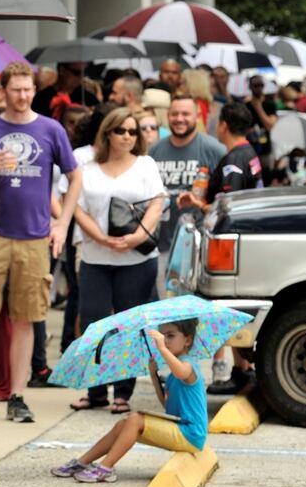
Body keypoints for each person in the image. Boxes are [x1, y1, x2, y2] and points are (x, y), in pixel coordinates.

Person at [0, 62, 82, 423]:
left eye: (28, 89)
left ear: (35, 90)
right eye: (16, 89)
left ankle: (17, 394)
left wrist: (62, 223)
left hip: (35, 236)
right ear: (3, 91)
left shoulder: (51, 129)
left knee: (27, 319)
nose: (22, 96)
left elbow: (74, 175)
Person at [69, 108, 165, 413]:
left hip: (136, 258)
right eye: (121, 131)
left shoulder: (145, 164)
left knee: (128, 325)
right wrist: (98, 236)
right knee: (93, 323)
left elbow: (157, 202)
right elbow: (76, 207)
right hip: (96, 257)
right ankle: (95, 391)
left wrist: (138, 236)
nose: (127, 137)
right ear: (107, 133)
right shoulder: (88, 167)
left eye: (132, 132)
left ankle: (123, 393)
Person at [51, 318, 206, 483]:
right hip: (180, 428)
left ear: (187, 340)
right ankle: (82, 462)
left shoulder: (189, 365)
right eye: (162, 335)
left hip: (191, 434)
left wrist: (161, 348)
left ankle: (106, 468)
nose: (165, 340)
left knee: (134, 419)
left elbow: (183, 372)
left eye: (171, 336)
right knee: (123, 424)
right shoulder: (174, 373)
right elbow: (167, 406)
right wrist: (154, 376)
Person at [177, 102, 263, 396]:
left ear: (224, 124)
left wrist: (195, 202)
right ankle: (242, 369)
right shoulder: (249, 153)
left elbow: (227, 208)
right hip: (246, 240)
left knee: (230, 307)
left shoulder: (233, 162)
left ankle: (243, 371)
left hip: (233, 244)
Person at [147, 95, 224, 298]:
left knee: (193, 309)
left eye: (185, 114)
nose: (179, 119)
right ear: (168, 116)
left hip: (198, 245)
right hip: (162, 243)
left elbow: (226, 197)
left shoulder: (213, 149)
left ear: (197, 116)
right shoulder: (155, 150)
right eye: (174, 114)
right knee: (165, 306)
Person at [32, 62, 100, 118]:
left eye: (83, 72)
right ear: (62, 70)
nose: (81, 77)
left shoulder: (89, 98)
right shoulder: (41, 98)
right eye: (76, 72)